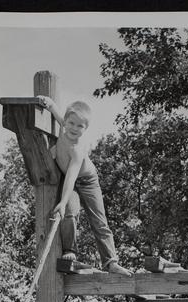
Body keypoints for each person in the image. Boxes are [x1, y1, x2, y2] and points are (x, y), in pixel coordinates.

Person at [37, 95, 131, 275]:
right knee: (69, 212)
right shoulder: (63, 127)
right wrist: (48, 102)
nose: (74, 128)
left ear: (86, 128)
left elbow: (71, 177)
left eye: (80, 126)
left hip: (87, 181)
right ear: (65, 122)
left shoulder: (77, 149)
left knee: (99, 220)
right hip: (70, 181)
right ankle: (70, 250)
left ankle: (111, 262)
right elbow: (55, 110)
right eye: (71, 123)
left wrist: (62, 201)